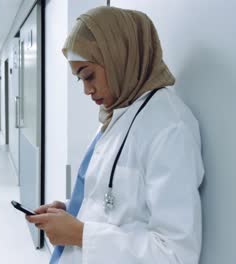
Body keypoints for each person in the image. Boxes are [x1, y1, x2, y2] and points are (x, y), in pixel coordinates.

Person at [27, 6, 204, 264]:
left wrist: (81, 234)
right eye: (80, 80)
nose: (87, 90)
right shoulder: (117, 112)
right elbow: (117, 203)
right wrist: (70, 209)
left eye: (89, 75)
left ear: (119, 57)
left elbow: (175, 254)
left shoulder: (170, 129)